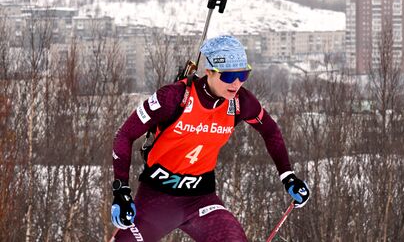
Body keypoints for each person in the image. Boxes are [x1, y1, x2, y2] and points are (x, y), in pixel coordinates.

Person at [110, 35, 310, 241]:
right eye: (229, 77)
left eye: (243, 74)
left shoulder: (240, 102)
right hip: (157, 199)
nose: (237, 83)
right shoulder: (174, 97)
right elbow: (125, 135)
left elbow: (270, 131)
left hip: (201, 200)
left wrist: (288, 177)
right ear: (210, 72)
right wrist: (121, 190)